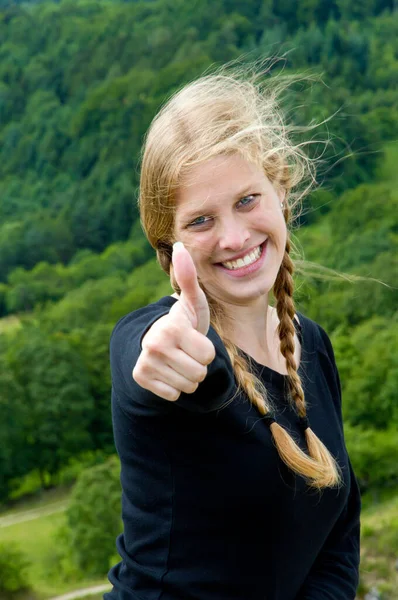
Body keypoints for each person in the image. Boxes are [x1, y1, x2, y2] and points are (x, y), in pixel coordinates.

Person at [105, 66, 361, 600]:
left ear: (281, 190)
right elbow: (146, 358)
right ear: (167, 243)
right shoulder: (168, 347)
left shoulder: (309, 344)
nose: (235, 237)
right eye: (200, 221)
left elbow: (337, 536)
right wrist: (161, 348)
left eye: (247, 200)